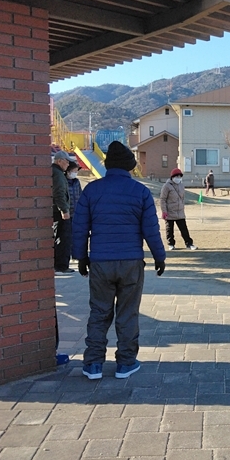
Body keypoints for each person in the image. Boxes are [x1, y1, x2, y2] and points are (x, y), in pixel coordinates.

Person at [72, 141, 166, 380]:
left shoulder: (92, 190)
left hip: (100, 261)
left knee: (99, 312)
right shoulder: (140, 192)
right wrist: (159, 257)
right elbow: (151, 230)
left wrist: (81, 257)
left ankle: (93, 364)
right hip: (131, 262)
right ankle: (126, 362)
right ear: (129, 166)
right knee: (128, 313)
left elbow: (80, 227)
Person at [159, 168, 197, 251]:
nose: (178, 178)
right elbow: (163, 199)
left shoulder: (181, 185)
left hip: (180, 212)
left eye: (180, 176)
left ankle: (189, 244)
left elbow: (182, 198)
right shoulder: (166, 186)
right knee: (169, 230)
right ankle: (171, 244)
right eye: (176, 176)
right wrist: (164, 211)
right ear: (172, 177)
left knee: (184, 229)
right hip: (170, 212)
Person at [52, 150, 73, 274]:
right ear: (59, 161)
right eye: (66, 161)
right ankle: (62, 265)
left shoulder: (56, 172)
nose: (68, 164)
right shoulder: (58, 174)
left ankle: (59, 264)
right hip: (59, 212)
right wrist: (64, 210)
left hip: (56, 210)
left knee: (59, 237)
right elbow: (59, 193)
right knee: (64, 237)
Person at [66, 161, 83, 259]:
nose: (75, 173)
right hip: (67, 213)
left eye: (76, 171)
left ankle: (75, 253)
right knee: (68, 235)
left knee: (76, 235)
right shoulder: (64, 182)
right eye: (74, 171)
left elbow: (80, 195)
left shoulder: (77, 182)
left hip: (76, 213)